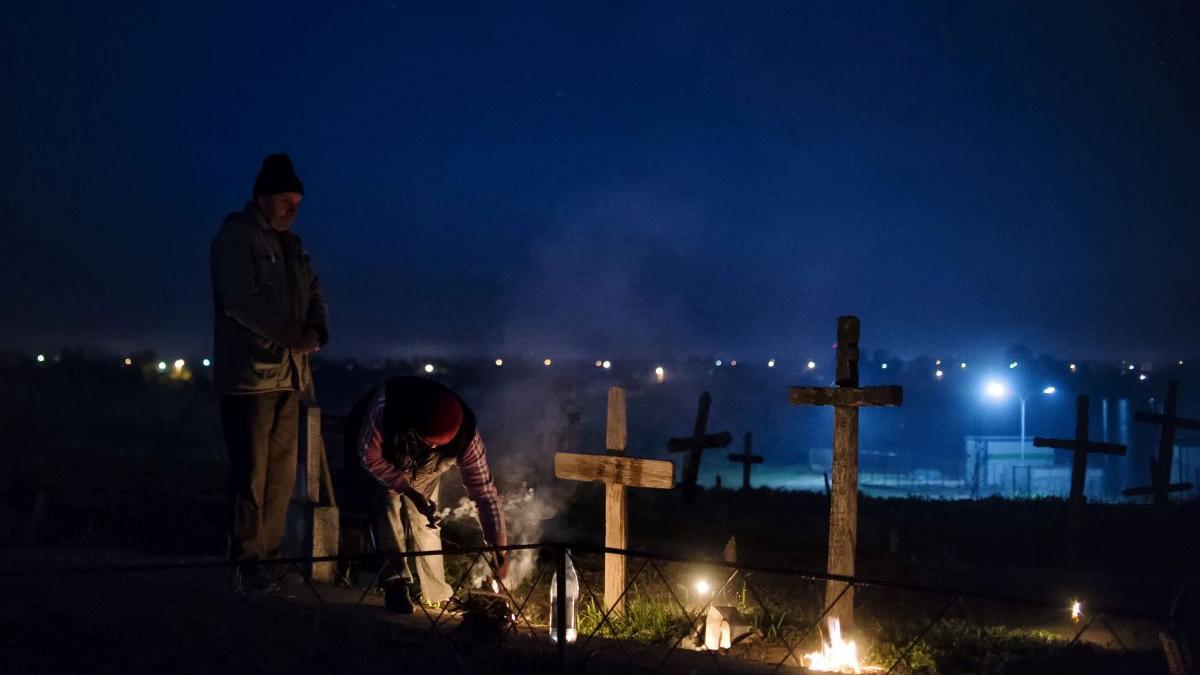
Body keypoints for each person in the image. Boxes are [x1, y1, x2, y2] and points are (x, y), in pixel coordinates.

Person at [210, 153, 330, 595]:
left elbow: (315, 289)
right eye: (285, 200)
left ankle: (271, 556)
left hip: (289, 377)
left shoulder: (292, 246)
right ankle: (247, 562)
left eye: (296, 201)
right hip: (249, 377)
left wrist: (317, 329)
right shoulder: (235, 238)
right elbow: (238, 300)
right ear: (262, 198)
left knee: (281, 474)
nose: (292, 209)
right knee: (251, 473)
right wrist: (292, 336)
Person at [344, 376, 507, 613]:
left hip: (424, 467)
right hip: (385, 456)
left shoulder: (467, 437)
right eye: (428, 442)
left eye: (438, 445)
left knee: (427, 520)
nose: (432, 447)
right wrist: (407, 490)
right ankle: (396, 583)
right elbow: (368, 456)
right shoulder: (386, 407)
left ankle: (437, 593)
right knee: (386, 511)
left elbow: (484, 493)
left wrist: (498, 548)